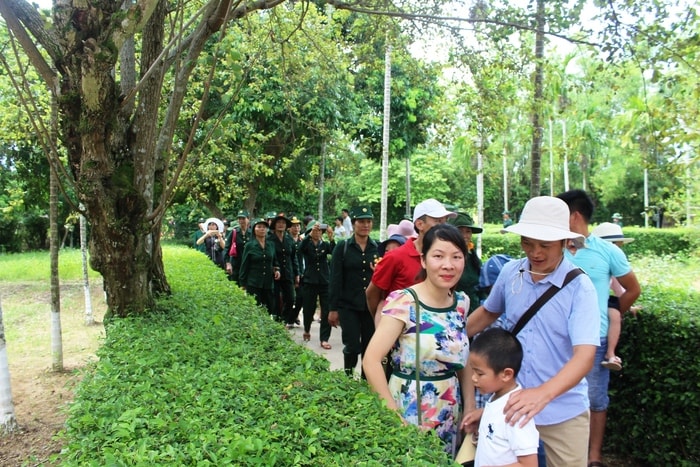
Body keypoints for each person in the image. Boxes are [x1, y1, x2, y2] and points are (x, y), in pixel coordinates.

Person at [465, 196, 599, 467]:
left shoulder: (579, 288)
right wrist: (450, 337)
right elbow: (489, 312)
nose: (535, 252)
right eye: (527, 242)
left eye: (545, 245)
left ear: (564, 242)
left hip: (563, 411)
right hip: (511, 406)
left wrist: (543, 394)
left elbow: (584, 356)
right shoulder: (510, 272)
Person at [363, 223, 471, 455]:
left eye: (456, 257)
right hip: (407, 408)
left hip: (450, 408)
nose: (448, 265)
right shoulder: (404, 301)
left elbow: (463, 361)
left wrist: (469, 408)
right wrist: (392, 415)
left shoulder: (461, 303)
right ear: (423, 260)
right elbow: (371, 360)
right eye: (438, 256)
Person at [556, 190, 641, 467]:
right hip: (555, 337)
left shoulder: (607, 251)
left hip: (594, 339)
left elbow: (632, 289)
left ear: (574, 215)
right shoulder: (552, 247)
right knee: (555, 392)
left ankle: (593, 457)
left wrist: (610, 313)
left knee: (594, 398)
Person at [366, 198, 456, 323]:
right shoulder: (395, 257)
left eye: (445, 221)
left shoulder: (448, 258)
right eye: (438, 221)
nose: (444, 226)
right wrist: (383, 321)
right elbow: (372, 294)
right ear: (420, 224)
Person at [468, 328, 539, 467]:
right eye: (473, 371)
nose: (473, 378)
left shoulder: (515, 413)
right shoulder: (496, 399)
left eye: (480, 374)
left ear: (506, 374)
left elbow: (529, 464)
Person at [328, 206, 379, 377]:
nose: (365, 225)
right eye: (361, 221)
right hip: (348, 305)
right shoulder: (343, 247)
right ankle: (348, 377)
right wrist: (333, 309)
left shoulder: (377, 248)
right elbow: (335, 279)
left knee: (369, 346)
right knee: (352, 346)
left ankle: (366, 381)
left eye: (368, 221)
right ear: (354, 223)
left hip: (371, 307)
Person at [590, 222, 637, 372]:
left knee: (615, 315)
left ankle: (610, 353)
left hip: (603, 304)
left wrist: (628, 306)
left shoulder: (613, 263)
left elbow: (620, 289)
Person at [299, 221, 335, 348]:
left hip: (324, 280)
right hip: (310, 280)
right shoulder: (306, 245)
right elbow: (300, 249)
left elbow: (334, 252)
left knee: (326, 310)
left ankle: (324, 338)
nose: (317, 233)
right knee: (309, 308)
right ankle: (307, 329)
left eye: (320, 231)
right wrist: (308, 236)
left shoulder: (324, 245)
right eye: (315, 231)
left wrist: (331, 237)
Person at [239, 218, 281, 316]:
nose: (262, 229)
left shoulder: (271, 245)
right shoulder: (249, 245)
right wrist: (242, 284)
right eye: (259, 227)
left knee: (270, 308)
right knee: (255, 308)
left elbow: (275, 261)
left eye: (264, 227)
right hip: (253, 282)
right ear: (254, 229)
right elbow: (244, 265)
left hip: (268, 282)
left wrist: (277, 269)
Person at [449, 212, 483, 314]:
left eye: (468, 231)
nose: (464, 235)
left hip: (474, 310)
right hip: (453, 311)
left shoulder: (471, 255)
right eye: (460, 231)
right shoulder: (445, 258)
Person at [269, 213, 300, 325]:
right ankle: (278, 322)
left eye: (283, 223)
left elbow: (294, 257)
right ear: (274, 225)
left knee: (291, 298)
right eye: (278, 223)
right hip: (275, 274)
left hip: (288, 272)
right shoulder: (270, 239)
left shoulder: (289, 239)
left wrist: (297, 274)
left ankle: (284, 320)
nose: (281, 225)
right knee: (276, 300)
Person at [224, 209, 252, 284]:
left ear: (248, 219)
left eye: (243, 218)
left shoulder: (252, 233)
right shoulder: (234, 232)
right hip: (236, 264)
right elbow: (226, 248)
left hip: (250, 265)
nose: (241, 221)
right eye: (239, 219)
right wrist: (228, 263)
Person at [289, 216, 304, 325]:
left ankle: (294, 315)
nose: (296, 228)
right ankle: (288, 318)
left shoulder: (302, 241)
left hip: (301, 272)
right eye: (293, 226)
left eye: (298, 226)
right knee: (289, 298)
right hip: (289, 272)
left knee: (301, 298)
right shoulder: (286, 240)